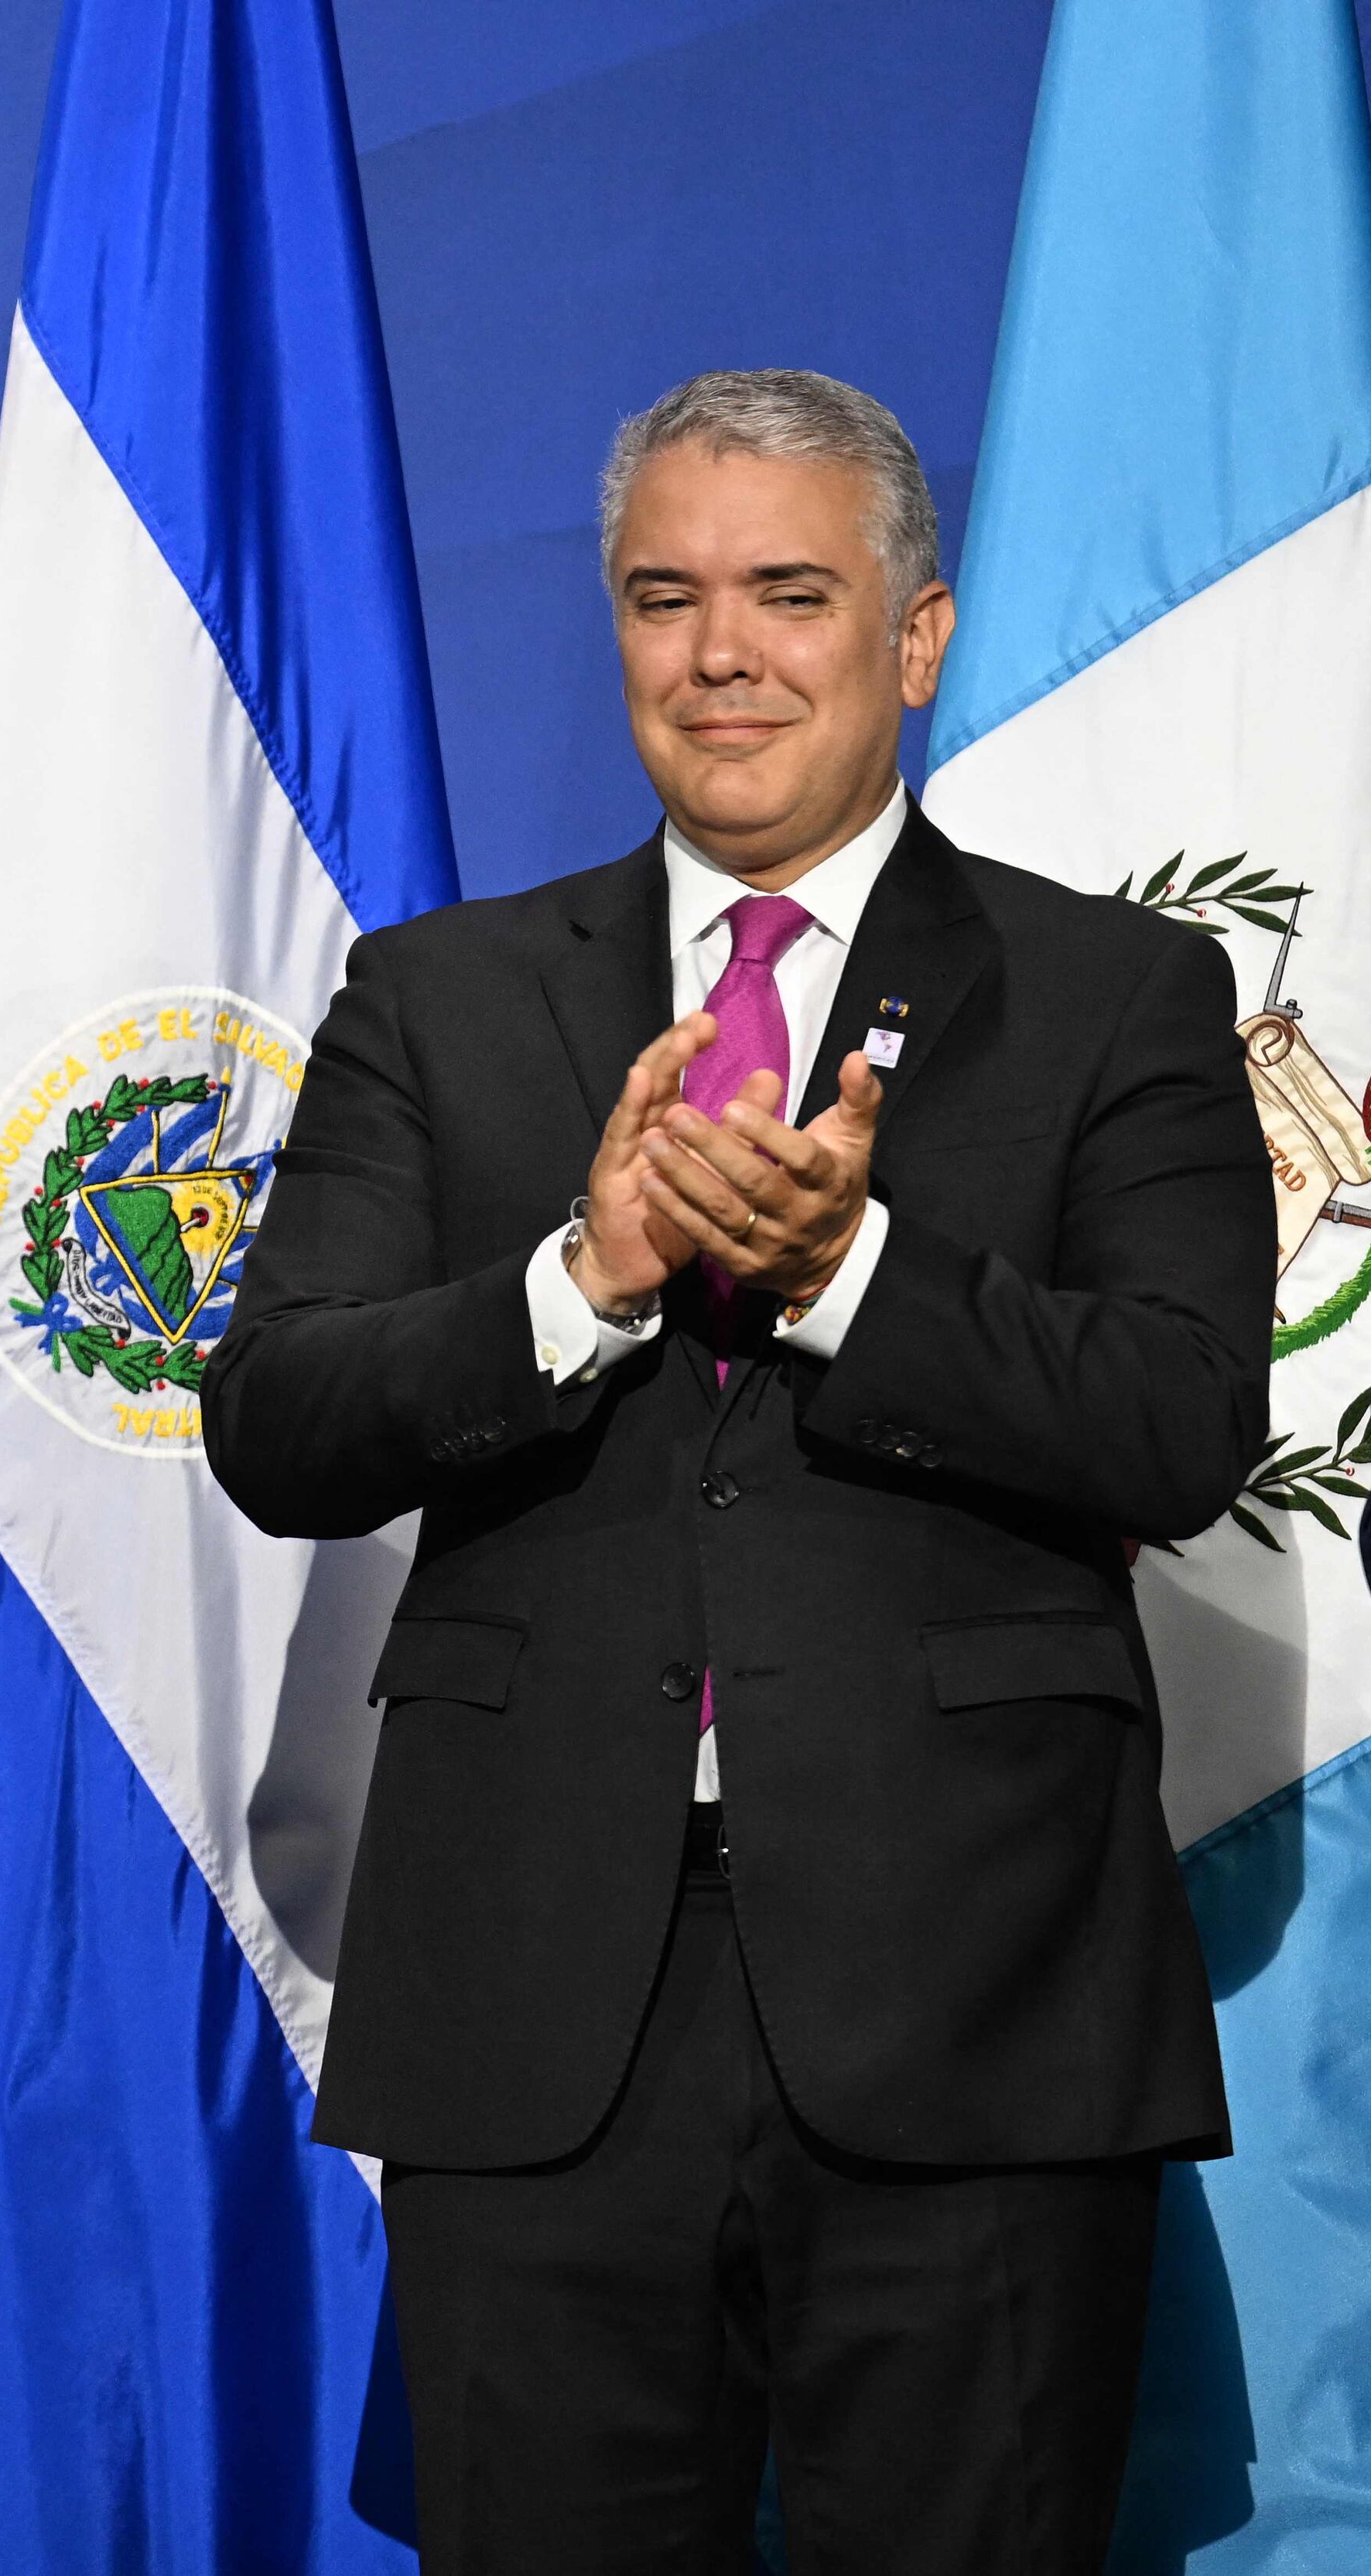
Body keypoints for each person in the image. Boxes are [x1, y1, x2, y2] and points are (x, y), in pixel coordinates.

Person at [206, 368, 1272, 2572]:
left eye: (791, 593)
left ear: (919, 633)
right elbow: (278, 1421)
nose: (721, 656)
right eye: (663, 597)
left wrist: (852, 1276)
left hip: (975, 2000)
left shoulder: (1117, 993)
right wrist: (578, 1280)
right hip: (534, 2006)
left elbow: (1179, 1420)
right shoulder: (439, 997)